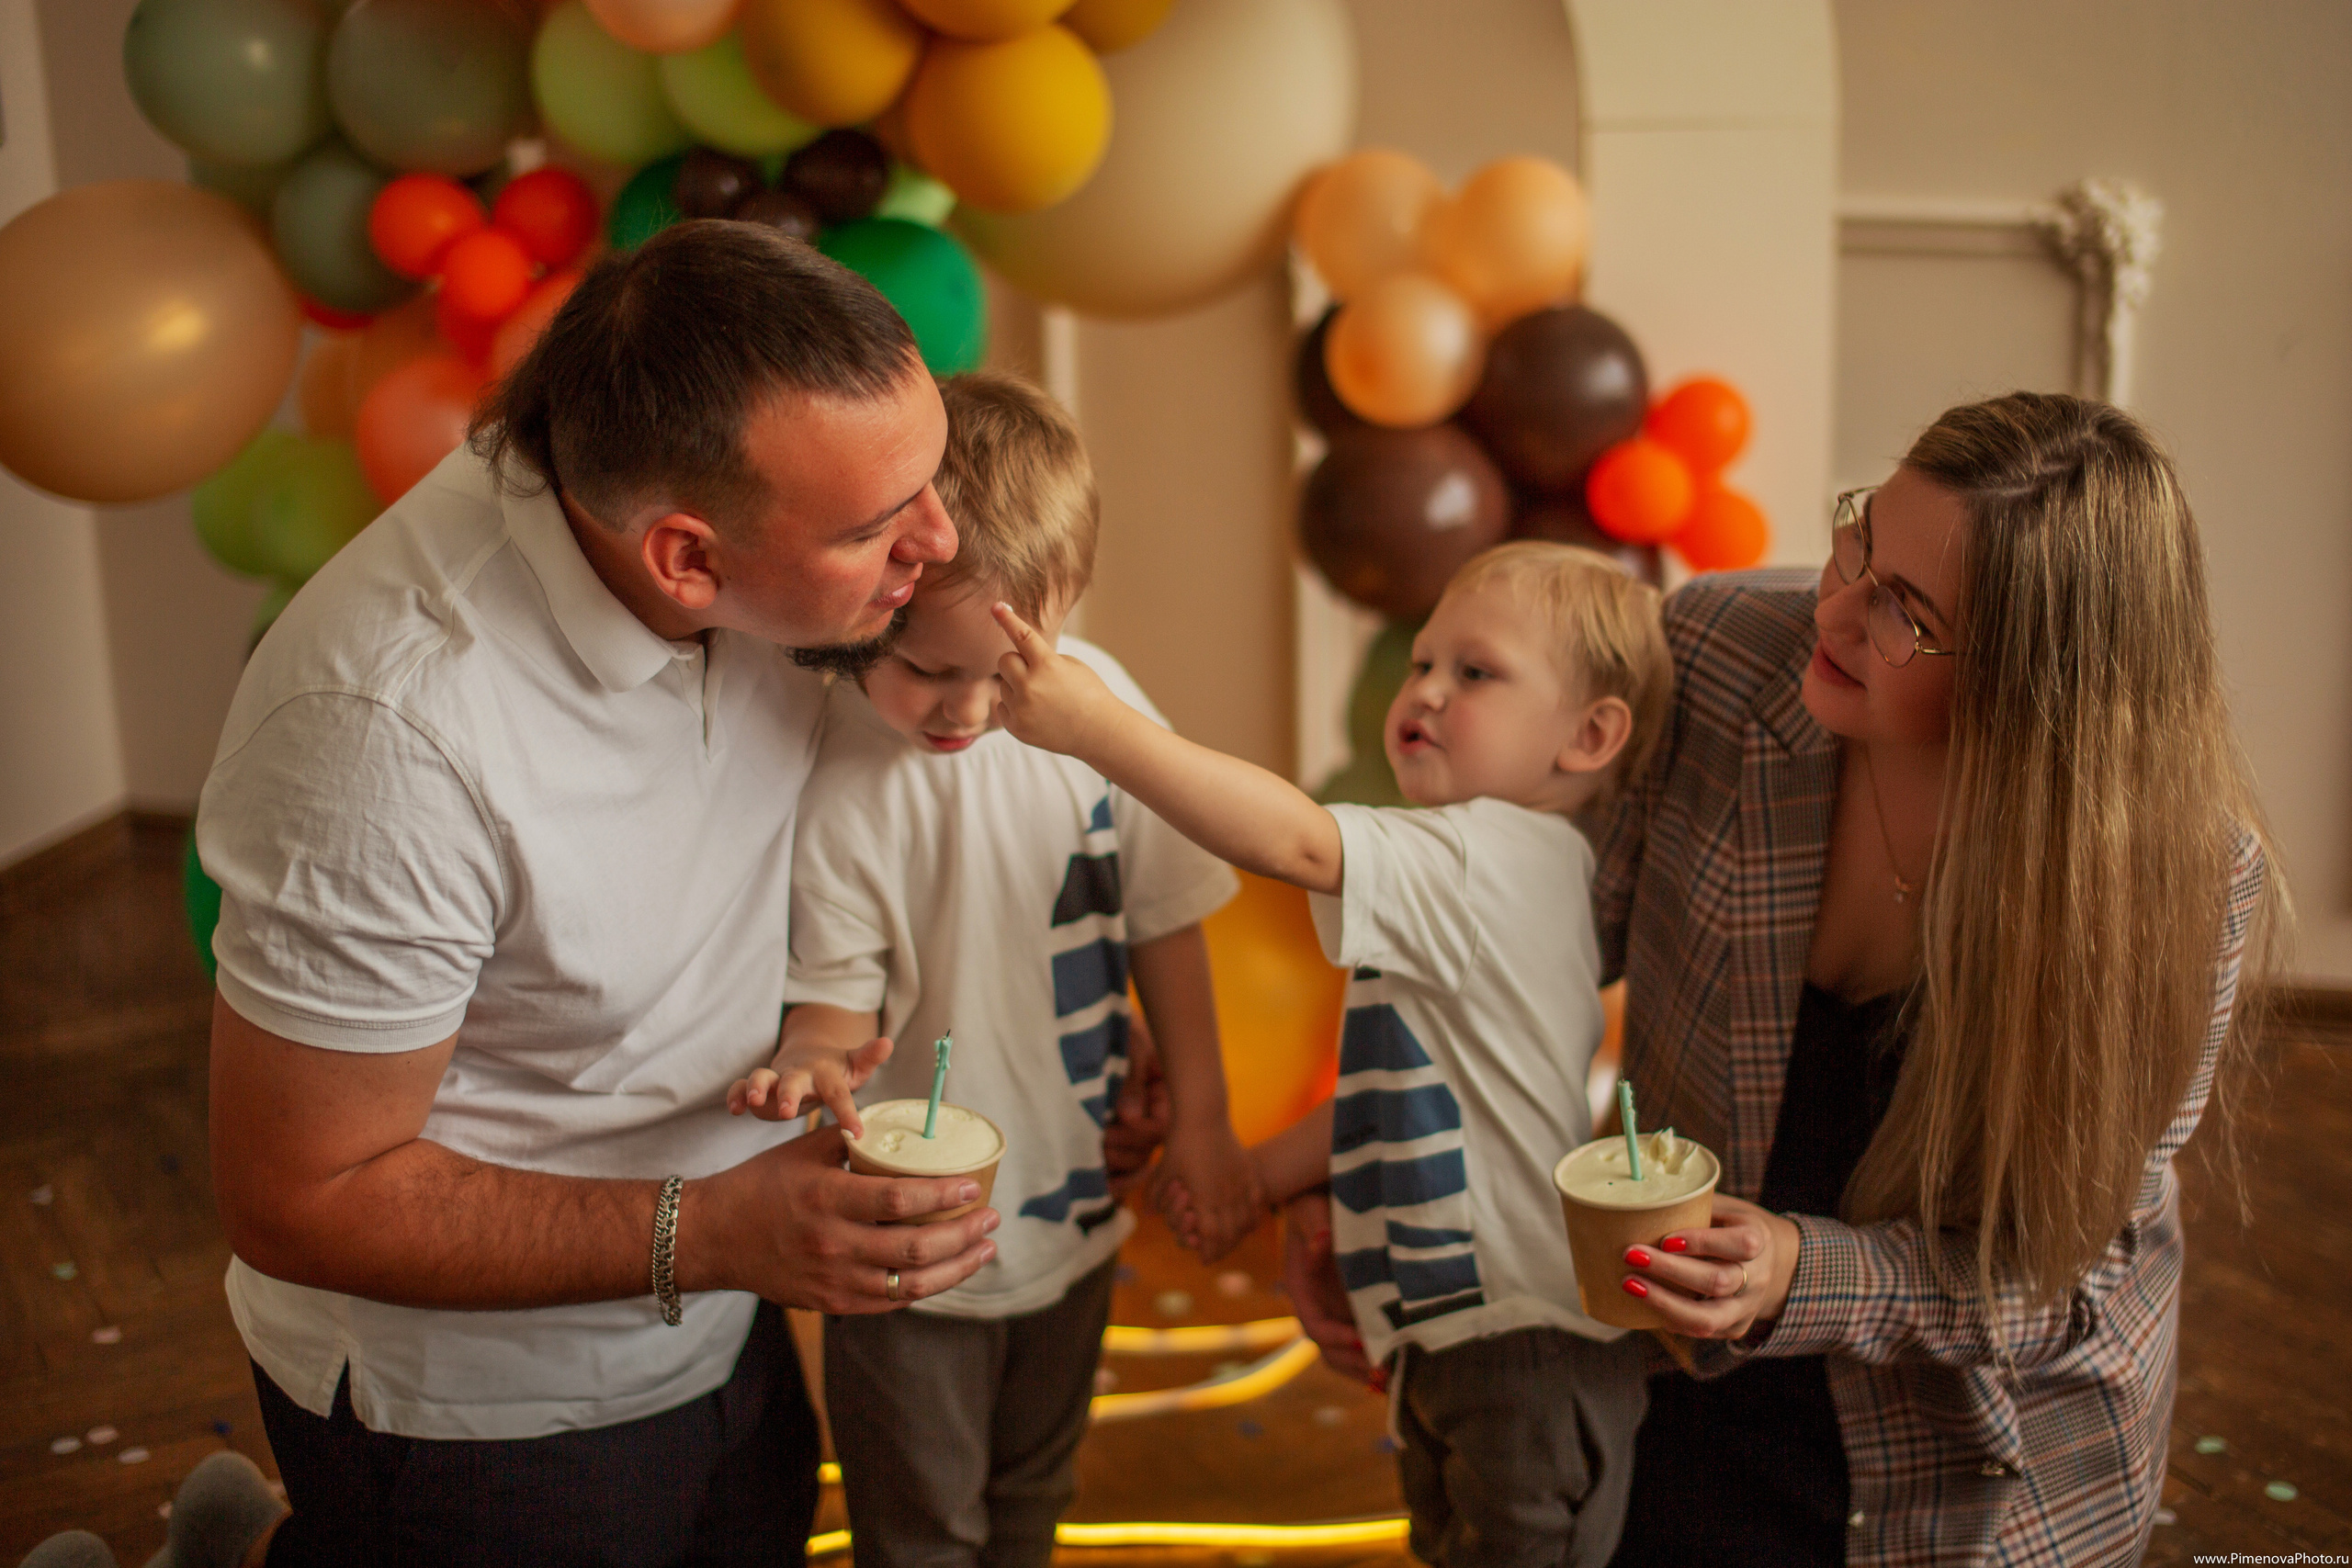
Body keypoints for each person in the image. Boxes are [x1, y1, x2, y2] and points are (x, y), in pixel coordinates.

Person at [1284, 392, 2285, 1567]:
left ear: (2036, 691)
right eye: (1860, 538)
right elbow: (1510, 957)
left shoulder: (2172, 880)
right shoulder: (1718, 653)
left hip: (1974, 1462)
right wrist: (1348, 1183)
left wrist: (1804, 1272)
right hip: (1679, 1378)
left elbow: (2056, 1280)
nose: (1837, 607)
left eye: (1904, 611)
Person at [195, 222, 1004, 1567]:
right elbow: (301, 1191)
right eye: (878, 524)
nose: (942, 535)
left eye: (931, 480)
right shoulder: (387, 726)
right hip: (481, 1419)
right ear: (686, 560)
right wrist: (717, 1223)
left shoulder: (771, 563)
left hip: (725, 1309)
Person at [992, 541, 1677, 1568]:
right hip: (1451, 1348)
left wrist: (1098, 731)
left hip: (1522, 1351)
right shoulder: (1474, 870)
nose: (1429, 689)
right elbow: (1389, 1094)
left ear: (1588, 736)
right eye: (1421, 664)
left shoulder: (1494, 858)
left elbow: (1298, 843)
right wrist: (1257, 1178)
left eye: (1475, 672)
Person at [727, 368, 1255, 1566]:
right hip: (909, 1242)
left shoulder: (1106, 712)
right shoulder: (845, 777)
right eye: (925, 666)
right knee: (917, 1526)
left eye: (1006, 668)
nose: (966, 707)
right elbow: (836, 984)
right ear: (879, 597)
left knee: (1030, 1498)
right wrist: (812, 1051)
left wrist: (1209, 1120)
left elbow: (1165, 918)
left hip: (1074, 1208)